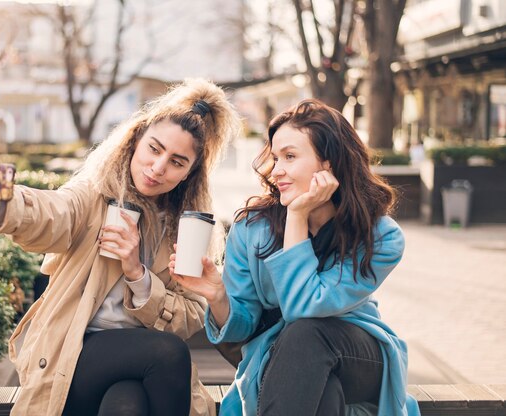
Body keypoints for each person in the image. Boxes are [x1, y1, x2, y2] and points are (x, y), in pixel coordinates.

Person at [0, 78, 241, 416]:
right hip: (73, 355)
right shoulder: (94, 194)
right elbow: (50, 213)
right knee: (170, 353)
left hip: (141, 370)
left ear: (189, 173)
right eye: (154, 149)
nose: (158, 168)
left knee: (127, 405)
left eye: (177, 161)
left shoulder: (187, 228)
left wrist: (137, 275)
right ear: (135, 141)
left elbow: (189, 317)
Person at [169, 99, 420, 416]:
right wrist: (218, 296)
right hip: (282, 362)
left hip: (360, 358)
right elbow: (242, 328)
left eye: (289, 156)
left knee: (306, 333)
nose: (276, 170)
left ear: (329, 163)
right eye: (275, 157)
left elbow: (305, 308)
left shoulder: (380, 236)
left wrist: (297, 215)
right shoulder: (251, 227)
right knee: (323, 394)